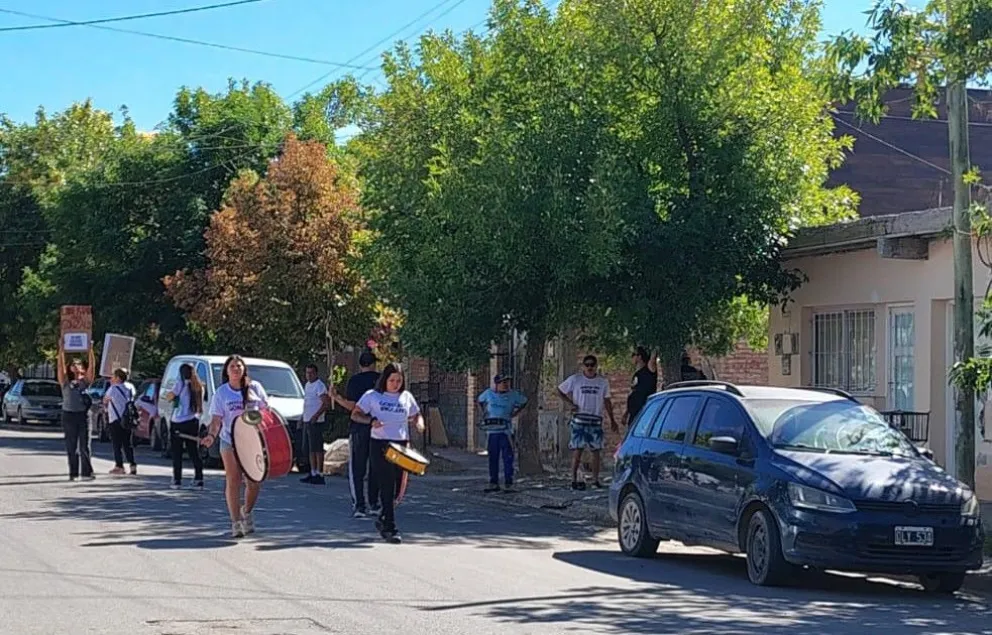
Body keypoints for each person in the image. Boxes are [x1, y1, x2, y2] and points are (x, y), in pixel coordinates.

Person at [350, 362, 425, 543]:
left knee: (398, 488)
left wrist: (419, 422)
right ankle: (391, 528)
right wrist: (371, 421)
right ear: (385, 380)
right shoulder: (373, 396)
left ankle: (384, 517)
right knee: (387, 483)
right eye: (392, 380)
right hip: (381, 444)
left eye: (399, 381)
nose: (395, 384)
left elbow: (416, 414)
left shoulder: (406, 396)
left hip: (401, 445)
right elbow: (355, 414)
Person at [201, 355, 269, 538]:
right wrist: (211, 436)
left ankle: (246, 511)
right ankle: (235, 521)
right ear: (227, 371)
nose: (236, 369)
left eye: (239, 366)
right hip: (229, 440)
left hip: (252, 441)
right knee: (233, 480)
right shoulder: (222, 393)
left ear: (244, 369)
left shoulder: (255, 388)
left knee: (254, 481)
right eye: (232, 366)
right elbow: (216, 420)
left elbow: (266, 412)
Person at [330, 351, 381, 517]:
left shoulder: (355, 381)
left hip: (359, 427)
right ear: (374, 364)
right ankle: (374, 503)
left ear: (360, 365)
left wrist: (336, 397)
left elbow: (352, 406)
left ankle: (359, 505)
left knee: (357, 468)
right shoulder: (381, 381)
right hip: (378, 428)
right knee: (375, 467)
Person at [558, 354, 617, 490]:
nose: (590, 367)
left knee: (595, 451)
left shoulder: (602, 382)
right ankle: (573, 479)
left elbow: (607, 400)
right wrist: (570, 404)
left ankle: (595, 480)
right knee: (577, 450)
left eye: (592, 365)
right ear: (583, 366)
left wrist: (612, 419)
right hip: (580, 419)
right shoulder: (576, 379)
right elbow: (560, 390)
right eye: (587, 365)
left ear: (596, 366)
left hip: (595, 420)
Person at [477, 374, 528, 493]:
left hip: (506, 430)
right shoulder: (489, 394)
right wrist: (483, 413)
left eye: (507, 382)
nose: (505, 385)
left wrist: (516, 413)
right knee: (493, 457)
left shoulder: (513, 395)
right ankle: (493, 482)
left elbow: (524, 402)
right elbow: (479, 400)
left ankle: (508, 482)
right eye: (502, 382)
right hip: (492, 431)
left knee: (508, 457)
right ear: (497, 384)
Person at [57, 342, 95, 482]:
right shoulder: (66, 382)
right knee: (71, 446)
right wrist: (61, 351)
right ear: (70, 367)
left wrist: (90, 351)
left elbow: (92, 368)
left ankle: (87, 472)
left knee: (85, 445)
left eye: (79, 364)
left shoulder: (85, 381)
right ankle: (73, 473)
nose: (76, 366)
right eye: (74, 364)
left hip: (83, 416)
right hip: (69, 415)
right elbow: (60, 368)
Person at [164, 363, 205, 490]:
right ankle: (198, 478)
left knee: (177, 452)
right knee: (193, 451)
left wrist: (169, 393)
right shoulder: (199, 386)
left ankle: (177, 479)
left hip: (178, 420)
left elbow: (169, 397)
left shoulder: (180, 384)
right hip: (193, 420)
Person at [104, 367, 137, 476]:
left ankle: (119, 466)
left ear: (118, 378)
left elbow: (105, 400)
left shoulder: (113, 389)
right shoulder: (130, 387)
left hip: (115, 419)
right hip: (128, 419)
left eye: (113, 376)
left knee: (116, 444)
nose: (112, 378)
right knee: (127, 444)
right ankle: (132, 465)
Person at [300, 363, 330, 485]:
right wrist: (302, 418)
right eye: (307, 372)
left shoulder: (319, 386)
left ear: (316, 373)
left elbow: (325, 403)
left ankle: (320, 473)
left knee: (317, 448)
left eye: (311, 373)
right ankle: (312, 472)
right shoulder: (307, 385)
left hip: (316, 421)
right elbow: (307, 403)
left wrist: (316, 416)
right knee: (310, 448)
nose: (309, 375)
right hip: (307, 420)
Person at [626, 347, 658, 426]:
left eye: (633, 355)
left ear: (639, 356)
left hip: (644, 411)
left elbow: (653, 359)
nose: (632, 357)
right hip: (633, 413)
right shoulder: (637, 374)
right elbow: (633, 392)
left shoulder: (649, 369)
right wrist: (626, 413)